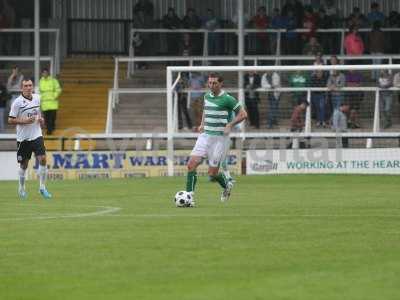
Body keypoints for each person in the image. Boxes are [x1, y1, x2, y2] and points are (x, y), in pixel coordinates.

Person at [185, 73, 247, 205]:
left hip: (219, 139)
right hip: (205, 136)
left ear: (220, 84)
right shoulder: (207, 96)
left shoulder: (228, 99)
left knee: (212, 174)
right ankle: (189, 197)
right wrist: (202, 124)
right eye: (210, 83)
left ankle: (226, 186)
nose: (211, 85)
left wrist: (230, 125)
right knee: (191, 165)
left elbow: (243, 114)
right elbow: (206, 110)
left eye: (214, 83)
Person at [8, 78, 52, 199]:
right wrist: (24, 121)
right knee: (24, 165)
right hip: (23, 139)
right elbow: (10, 119)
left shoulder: (37, 98)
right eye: (26, 86)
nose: (28, 88)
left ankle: (42, 187)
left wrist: (41, 121)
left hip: (36, 135)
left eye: (30, 85)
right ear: (22, 88)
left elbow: (38, 114)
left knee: (43, 159)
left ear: (33, 87)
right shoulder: (17, 102)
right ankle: (21, 188)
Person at [39, 68, 62, 135]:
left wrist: (54, 96)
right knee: (46, 118)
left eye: (46, 73)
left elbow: (58, 89)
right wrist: (41, 98)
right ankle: (49, 130)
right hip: (45, 104)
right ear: (42, 74)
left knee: (52, 118)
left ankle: (51, 128)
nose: (45, 74)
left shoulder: (53, 81)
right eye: (43, 73)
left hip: (53, 103)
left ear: (48, 73)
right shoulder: (40, 81)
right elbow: (39, 91)